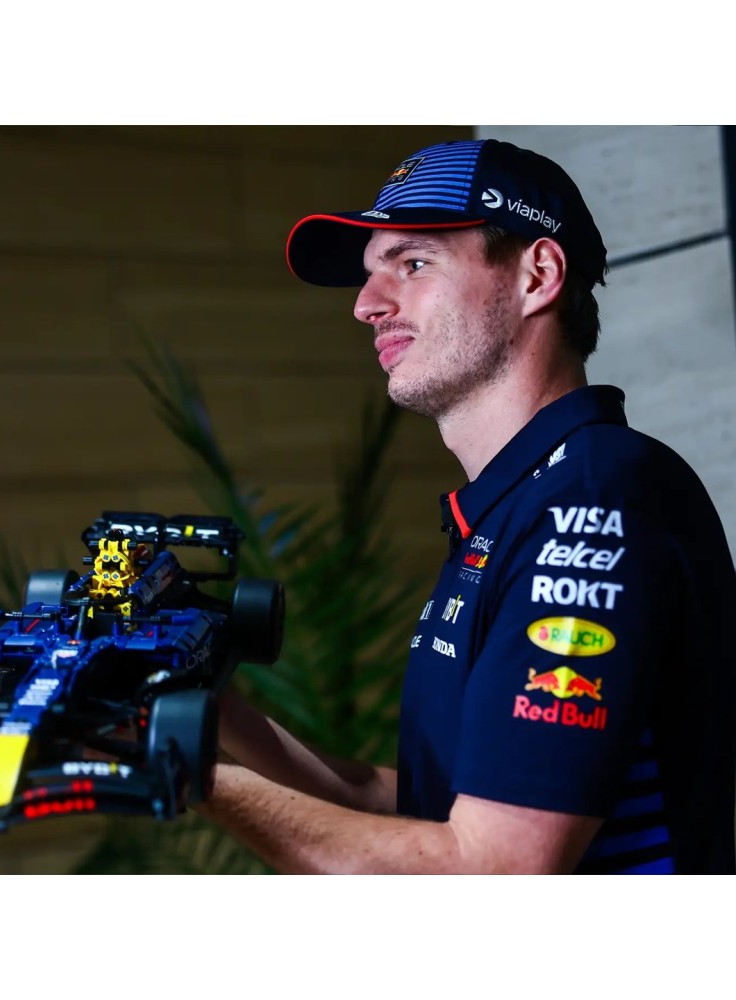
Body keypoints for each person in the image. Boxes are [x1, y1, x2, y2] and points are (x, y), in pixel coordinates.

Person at [196, 137, 736, 874]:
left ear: (537, 276)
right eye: (370, 273)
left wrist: (179, 777)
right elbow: (419, 803)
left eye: (413, 264)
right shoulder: (522, 501)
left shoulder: (592, 500)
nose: (366, 305)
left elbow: (493, 868)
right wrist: (207, 711)